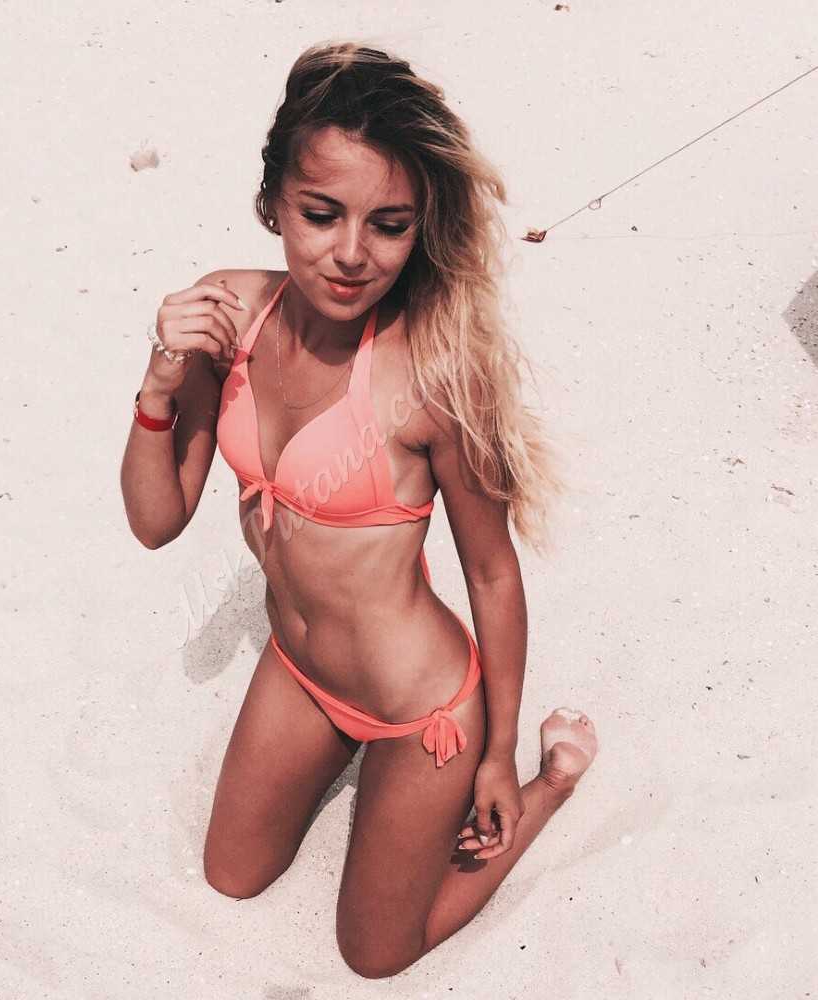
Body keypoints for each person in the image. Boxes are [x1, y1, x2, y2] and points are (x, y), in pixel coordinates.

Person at [120, 41, 598, 979]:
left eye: (387, 225)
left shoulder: (434, 375)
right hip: (300, 669)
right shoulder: (232, 316)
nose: (350, 254)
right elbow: (155, 518)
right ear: (272, 203)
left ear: (419, 229)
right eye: (320, 214)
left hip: (421, 707)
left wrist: (498, 757)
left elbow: (491, 573)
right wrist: (160, 378)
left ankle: (554, 785)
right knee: (229, 875)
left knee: (375, 955)